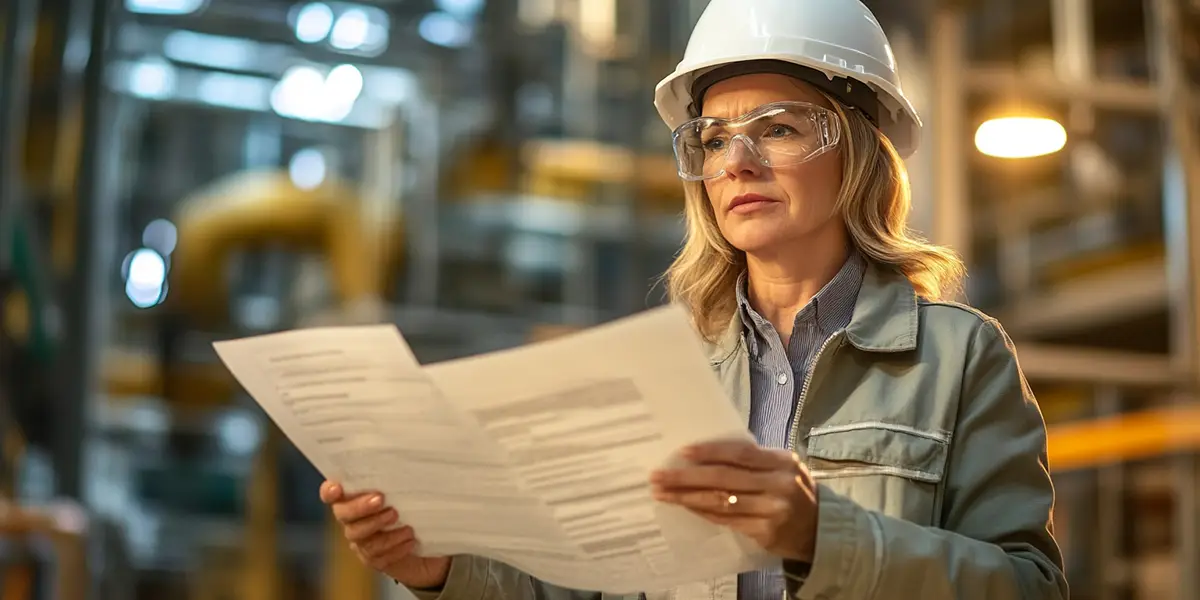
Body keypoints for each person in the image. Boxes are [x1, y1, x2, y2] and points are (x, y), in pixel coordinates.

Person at [319, 0, 1071, 598]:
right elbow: (577, 587)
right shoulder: (657, 367)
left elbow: (1030, 589)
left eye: (776, 128)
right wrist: (441, 568)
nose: (737, 163)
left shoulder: (957, 358)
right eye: (711, 139)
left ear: (860, 148)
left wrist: (823, 536)